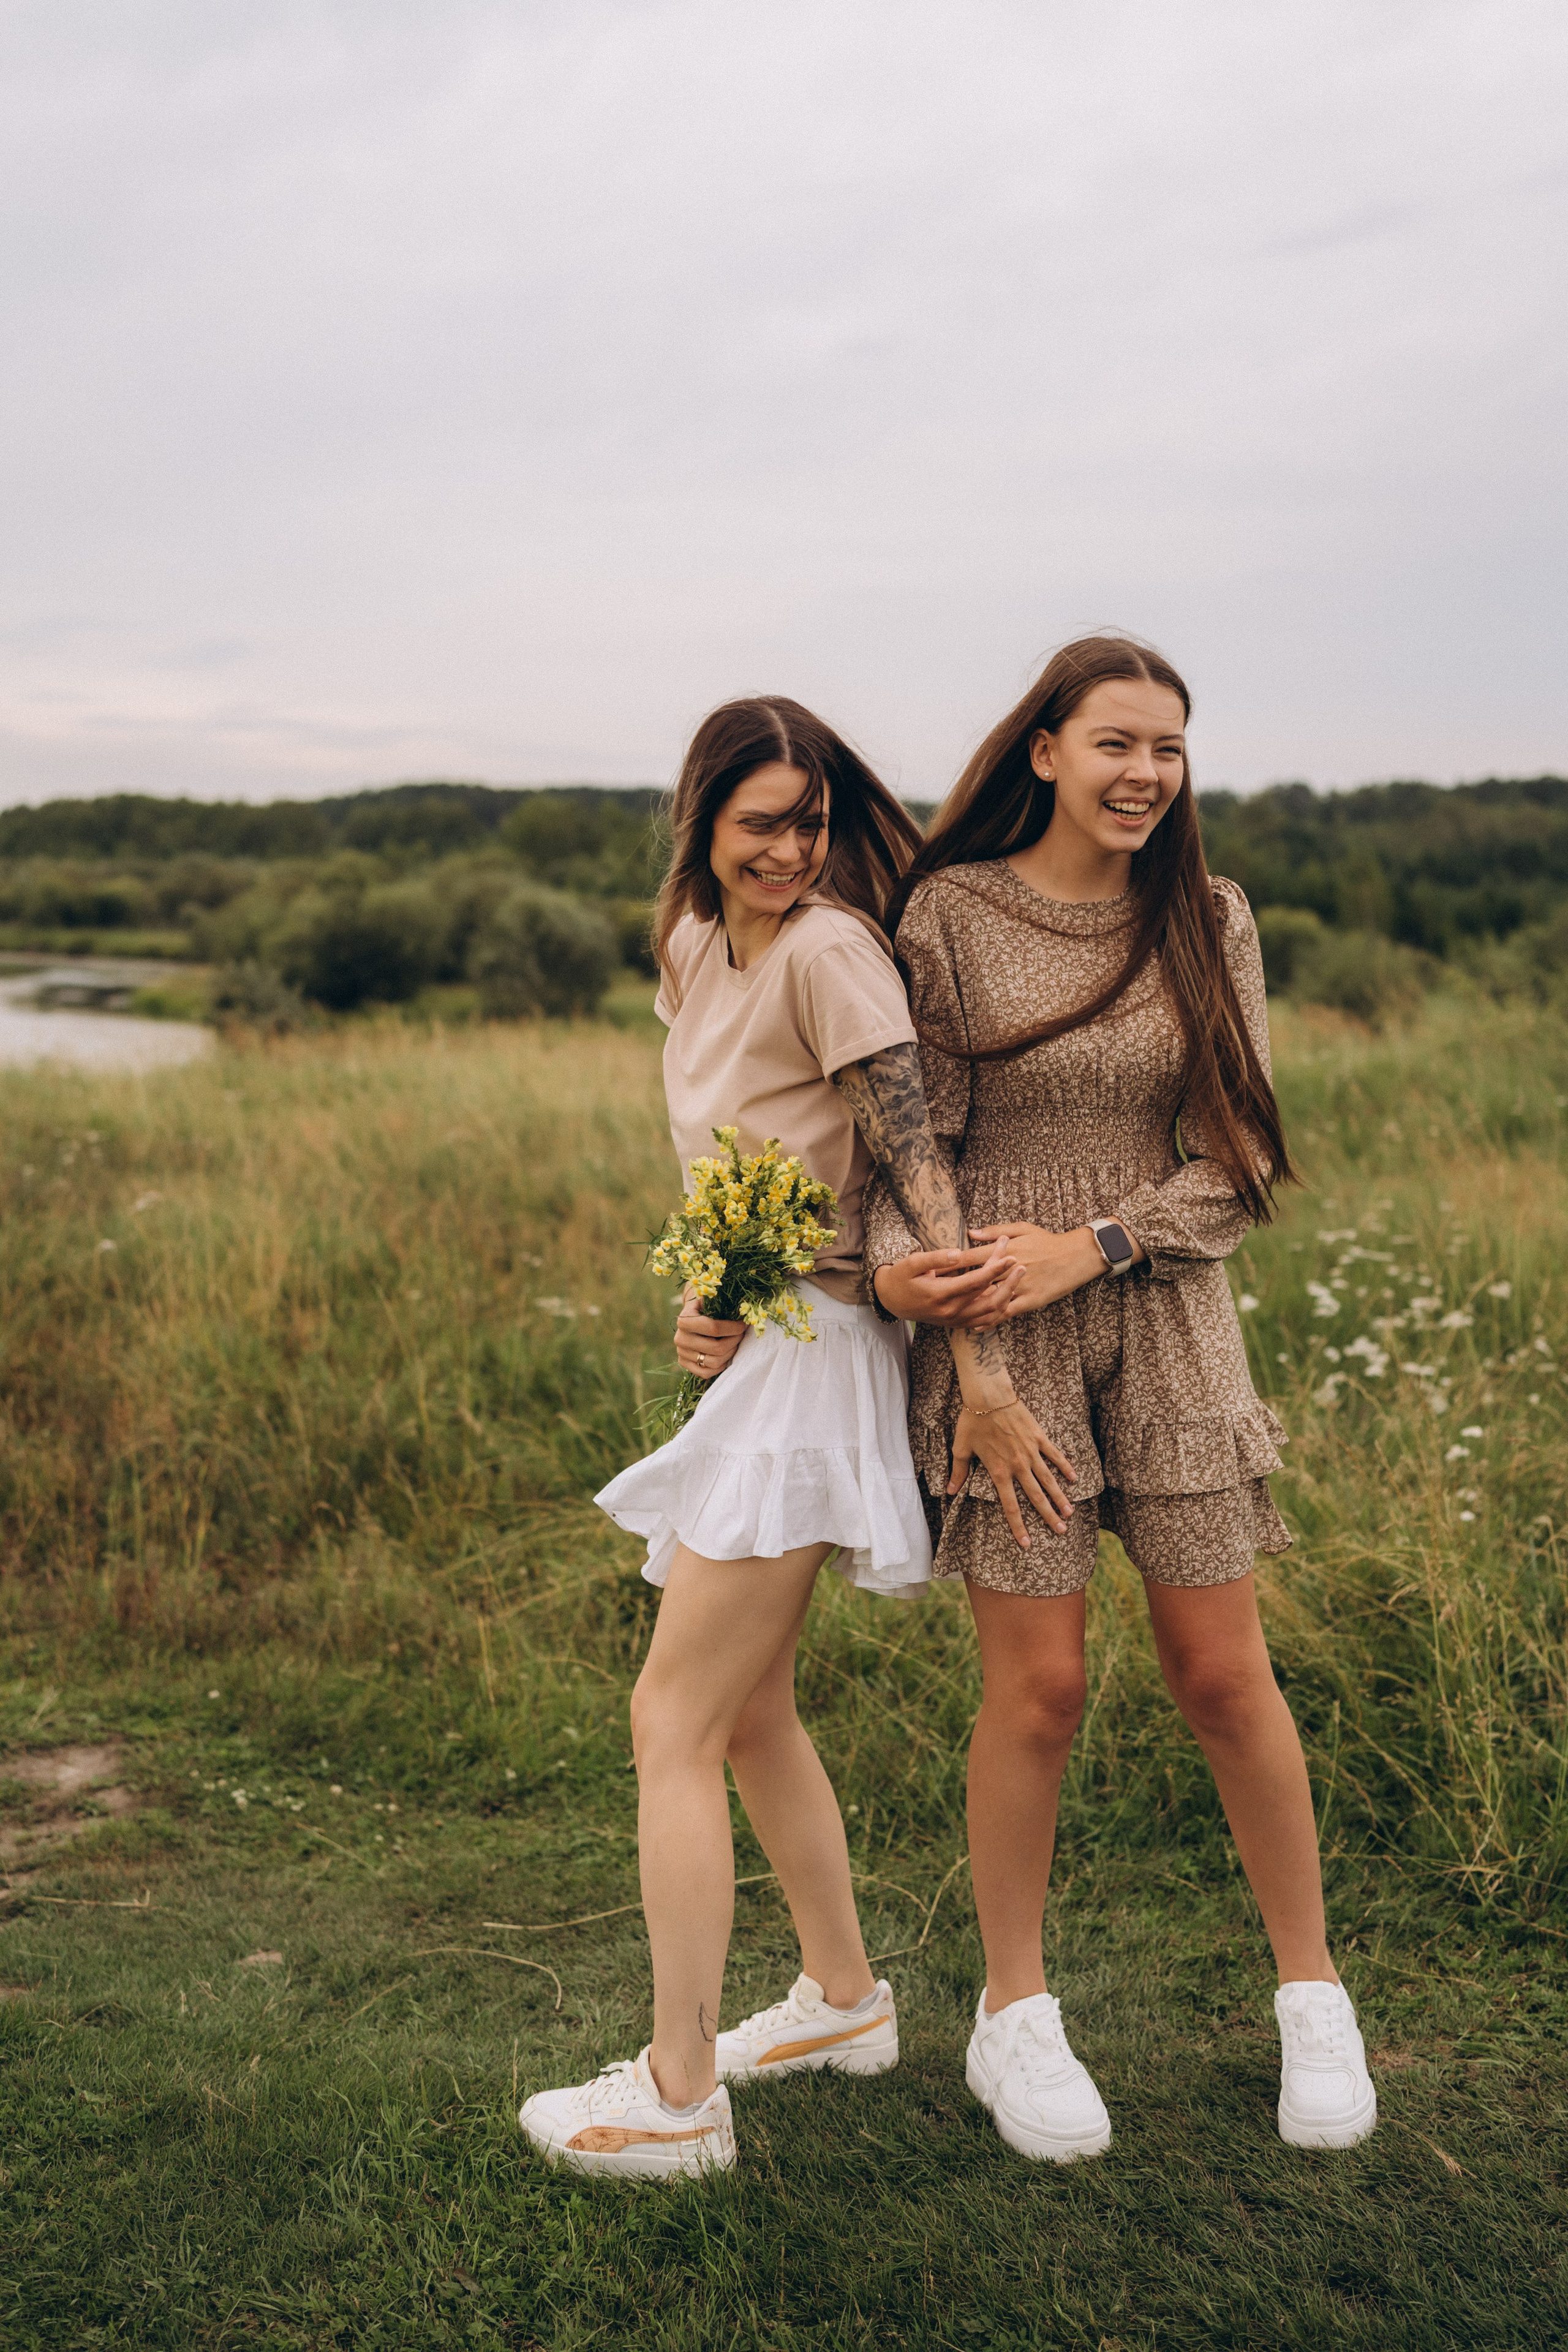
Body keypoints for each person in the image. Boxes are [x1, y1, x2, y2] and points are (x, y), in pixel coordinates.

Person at [518, 695, 1060, 2179]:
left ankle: (678, 2096)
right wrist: (712, 1294)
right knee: (745, 1715)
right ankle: (839, 2001)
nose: (792, 850)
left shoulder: (831, 952)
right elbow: (734, 1168)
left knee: (669, 1724)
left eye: (810, 823)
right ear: (701, 820)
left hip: (823, 1367)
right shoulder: (694, 950)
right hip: (760, 1342)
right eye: (760, 823)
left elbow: (915, 1173)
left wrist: (986, 1374)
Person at [865, 635, 1378, 2162]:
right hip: (1000, 1349)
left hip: (1161, 1320)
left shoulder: (1206, 916)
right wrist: (924, 1295)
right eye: (1114, 742)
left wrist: (1092, 1244)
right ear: (1044, 750)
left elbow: (1238, 1161)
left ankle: (1312, 1994)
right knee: (1040, 1690)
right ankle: (1011, 2019)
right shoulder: (947, 914)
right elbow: (913, 1151)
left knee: (1223, 1676)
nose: (1145, 771)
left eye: (1167, 745)